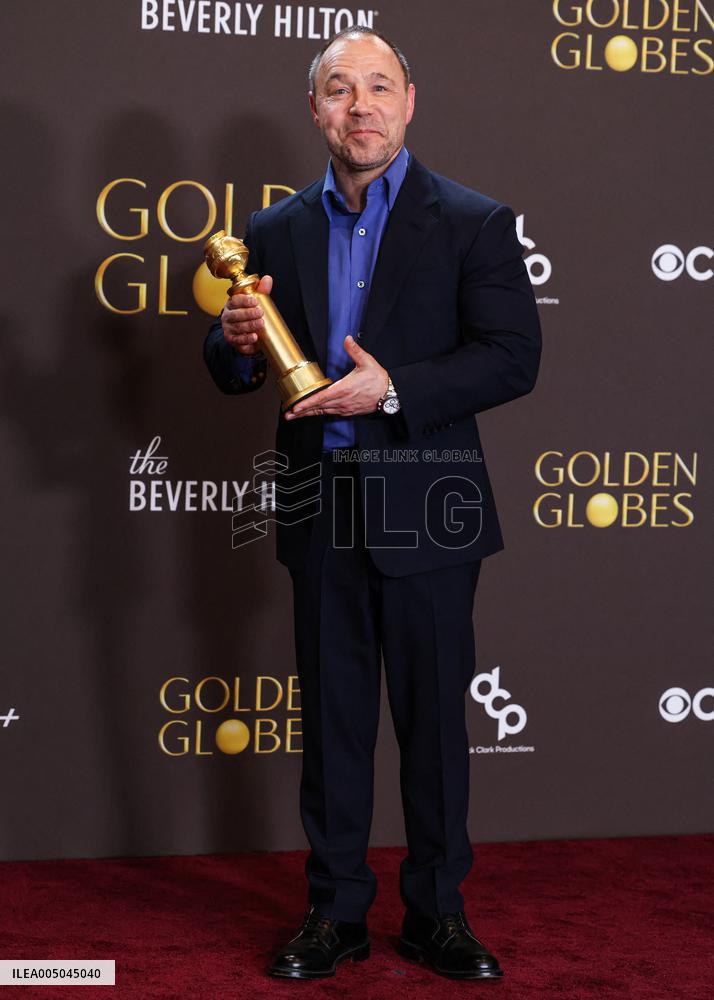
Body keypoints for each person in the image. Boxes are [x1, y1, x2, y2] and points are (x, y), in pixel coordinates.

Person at [204, 26, 541, 981]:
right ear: (315, 109)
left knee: (435, 725)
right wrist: (234, 341)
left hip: (428, 501)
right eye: (341, 89)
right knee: (335, 721)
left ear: (410, 101)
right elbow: (232, 374)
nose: (362, 106)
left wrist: (390, 391)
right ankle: (334, 914)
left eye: (379, 87)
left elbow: (514, 357)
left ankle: (438, 914)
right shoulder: (272, 231)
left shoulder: (473, 219)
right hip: (320, 502)